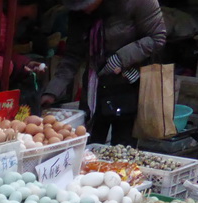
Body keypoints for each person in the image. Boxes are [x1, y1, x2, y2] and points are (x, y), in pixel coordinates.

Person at [41, 0, 166, 145]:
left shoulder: (137, 3)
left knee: (122, 146)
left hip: (129, 85)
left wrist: (120, 58)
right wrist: (52, 91)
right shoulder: (79, 14)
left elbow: (157, 38)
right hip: (95, 88)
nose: (83, 9)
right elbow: (72, 55)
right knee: (89, 143)